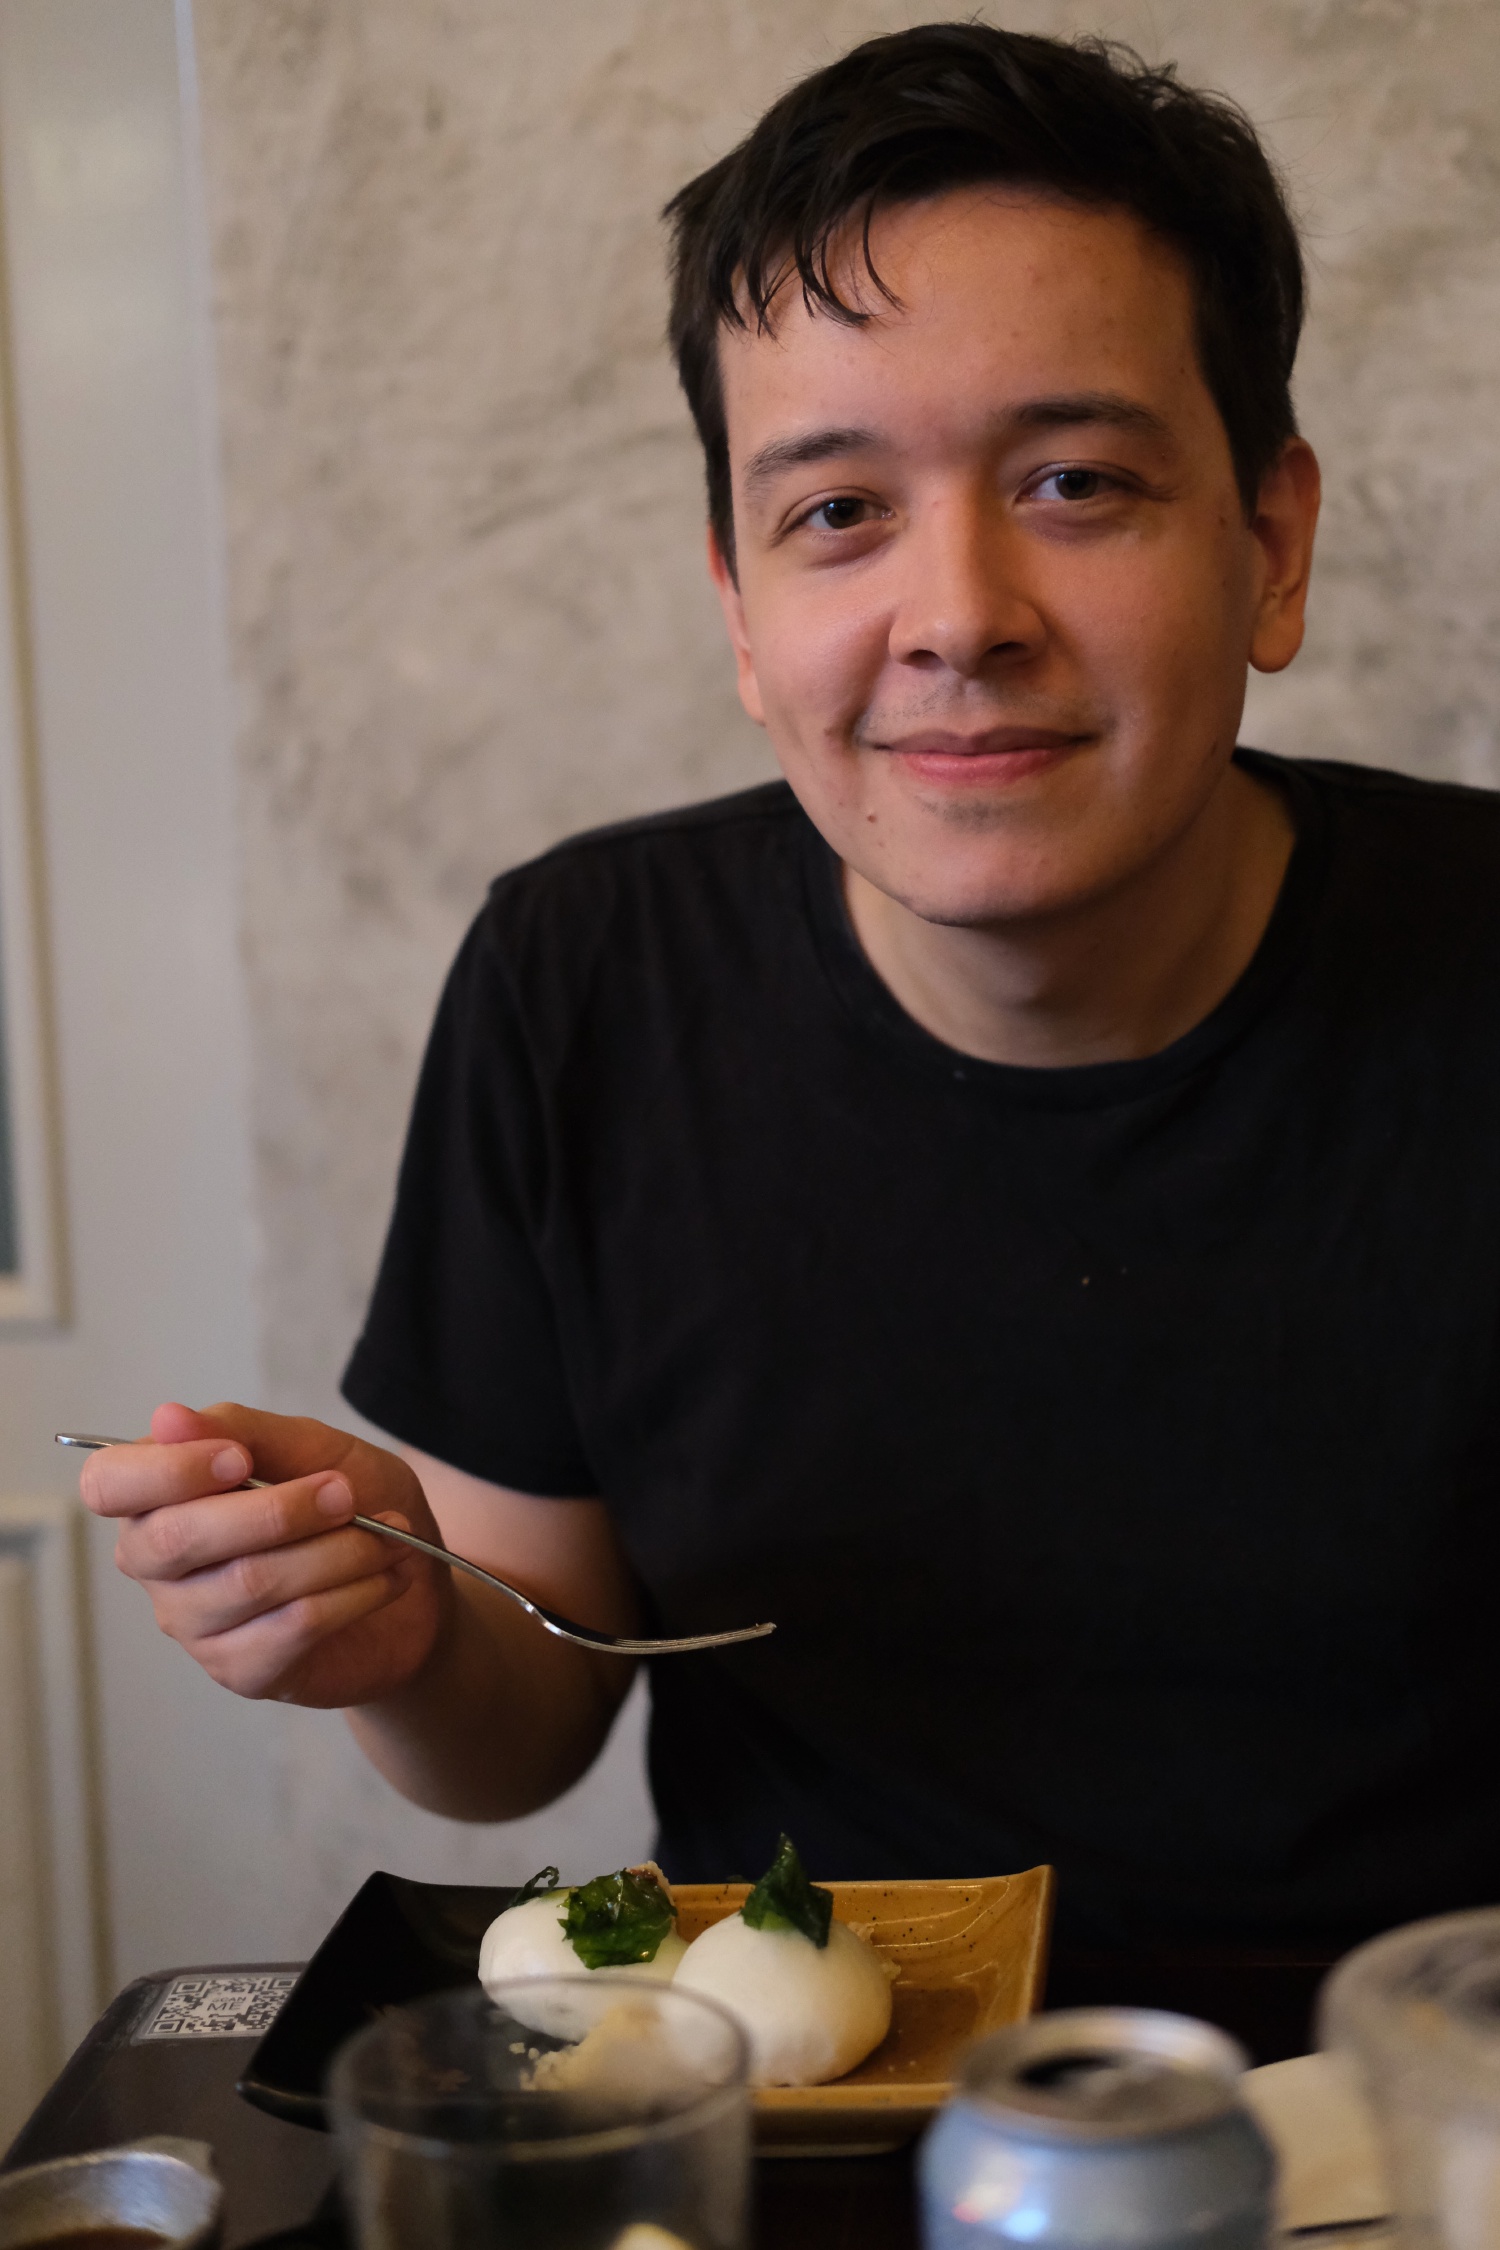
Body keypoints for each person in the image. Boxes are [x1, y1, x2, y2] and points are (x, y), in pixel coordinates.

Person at [81, 22, 1500, 1957]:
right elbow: (521, 1730)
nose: (960, 616)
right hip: (817, 2074)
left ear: (1270, 543)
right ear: (742, 611)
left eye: (1077, 480)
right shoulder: (581, 982)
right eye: (837, 511)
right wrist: (404, 1633)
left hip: (1423, 2087)